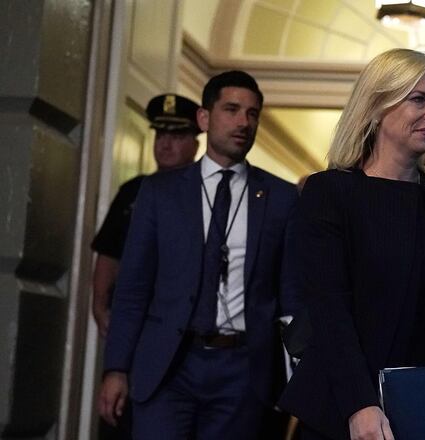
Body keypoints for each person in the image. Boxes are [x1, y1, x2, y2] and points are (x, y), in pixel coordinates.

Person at [277, 48, 425, 440]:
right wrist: (360, 405)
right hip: (344, 408)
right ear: (376, 107)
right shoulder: (329, 192)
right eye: (418, 99)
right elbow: (328, 310)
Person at [98, 70, 299, 439]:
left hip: (242, 371)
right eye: (232, 109)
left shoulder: (282, 199)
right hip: (169, 365)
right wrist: (116, 368)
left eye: (252, 114)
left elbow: (290, 297)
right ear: (204, 119)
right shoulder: (160, 193)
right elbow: (133, 289)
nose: (243, 122)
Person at [91, 94, 201, 339]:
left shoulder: (205, 192)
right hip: (133, 317)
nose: (166, 144)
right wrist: (99, 306)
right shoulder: (133, 191)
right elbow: (108, 253)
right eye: (161, 135)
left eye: (177, 136)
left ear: (195, 145)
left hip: (182, 323)